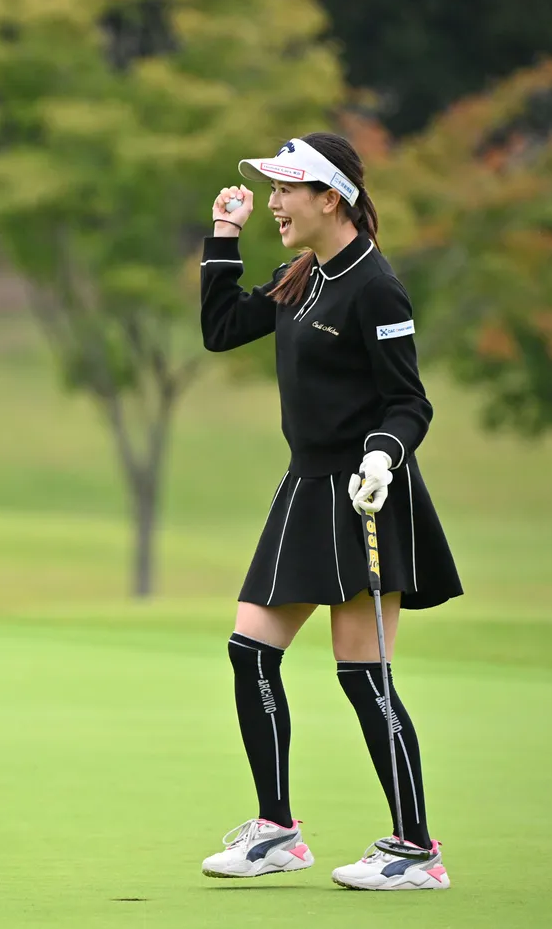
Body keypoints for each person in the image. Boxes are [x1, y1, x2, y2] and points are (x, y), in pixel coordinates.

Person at [195, 132, 462, 891]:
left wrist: (383, 455)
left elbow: (409, 401)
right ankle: (277, 830)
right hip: (306, 488)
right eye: (271, 189)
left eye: (286, 190)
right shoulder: (302, 275)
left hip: (365, 494)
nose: (274, 202)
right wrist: (223, 237)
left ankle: (416, 849)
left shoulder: (375, 287)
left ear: (330, 197)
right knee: (250, 651)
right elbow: (221, 330)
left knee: (363, 675)